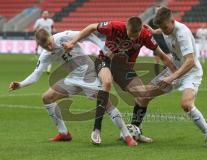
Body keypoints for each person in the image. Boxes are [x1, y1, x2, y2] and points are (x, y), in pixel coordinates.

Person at [9, 29, 137, 146]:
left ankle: (127, 135)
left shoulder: (65, 36)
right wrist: (20, 84)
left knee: (106, 104)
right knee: (47, 98)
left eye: (49, 43)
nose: (49, 47)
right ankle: (64, 133)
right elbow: (36, 75)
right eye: (45, 47)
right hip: (73, 78)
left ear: (50, 36)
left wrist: (104, 48)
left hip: (89, 74)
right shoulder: (45, 55)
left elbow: (89, 34)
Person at [63, 16, 177, 145]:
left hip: (124, 68)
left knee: (143, 96)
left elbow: (162, 55)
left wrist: (176, 72)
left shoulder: (145, 35)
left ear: (141, 30)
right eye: (131, 35)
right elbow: (91, 27)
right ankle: (96, 129)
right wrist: (72, 42)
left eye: (136, 35)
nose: (133, 38)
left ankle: (135, 130)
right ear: (126, 28)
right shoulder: (115, 27)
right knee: (106, 82)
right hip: (105, 61)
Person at [133, 7, 207, 148]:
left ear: (173, 21)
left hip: (191, 72)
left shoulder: (182, 33)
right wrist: (155, 31)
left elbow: (190, 61)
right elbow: (163, 28)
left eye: (165, 27)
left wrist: (171, 78)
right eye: (161, 27)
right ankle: (134, 131)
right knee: (143, 96)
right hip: (175, 70)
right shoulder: (166, 27)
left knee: (186, 104)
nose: (164, 30)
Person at [148, 5, 170, 75]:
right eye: (156, 10)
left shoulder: (165, 20)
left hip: (164, 40)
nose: (157, 11)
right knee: (157, 59)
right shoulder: (152, 20)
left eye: (158, 10)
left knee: (167, 58)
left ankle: (165, 72)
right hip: (156, 41)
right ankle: (157, 74)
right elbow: (149, 30)